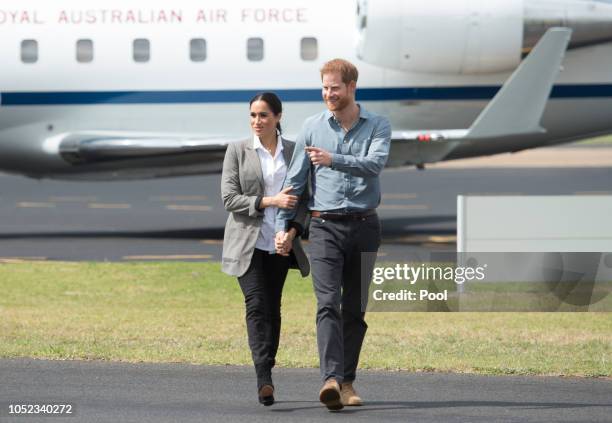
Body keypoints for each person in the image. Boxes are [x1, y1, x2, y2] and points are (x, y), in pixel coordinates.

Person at [275, 59, 391, 411]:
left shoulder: (378, 125)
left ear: (352, 86)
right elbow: (294, 183)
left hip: (365, 226)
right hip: (324, 227)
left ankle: (347, 382)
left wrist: (333, 159)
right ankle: (329, 379)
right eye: (325, 88)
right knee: (327, 304)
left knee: (354, 309)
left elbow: (375, 165)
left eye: (335, 88)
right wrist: (284, 228)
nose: (329, 94)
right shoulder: (311, 127)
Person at [221, 92, 310, 406]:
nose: (257, 122)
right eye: (253, 116)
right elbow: (229, 198)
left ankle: (267, 366)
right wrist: (270, 201)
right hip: (248, 245)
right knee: (256, 305)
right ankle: (264, 378)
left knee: (273, 309)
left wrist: (293, 232)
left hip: (281, 245)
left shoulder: (294, 151)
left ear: (278, 117)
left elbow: (305, 201)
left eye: (263, 116)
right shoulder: (237, 150)